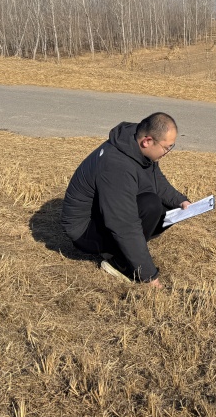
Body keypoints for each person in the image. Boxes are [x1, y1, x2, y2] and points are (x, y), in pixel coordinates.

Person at [61, 112, 190, 288]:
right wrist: (148, 276)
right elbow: (124, 225)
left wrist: (181, 201)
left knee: (166, 208)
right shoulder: (116, 166)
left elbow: (156, 181)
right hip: (84, 232)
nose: (168, 152)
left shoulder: (136, 143)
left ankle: (128, 253)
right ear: (147, 141)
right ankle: (119, 263)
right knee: (151, 205)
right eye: (166, 147)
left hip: (102, 214)